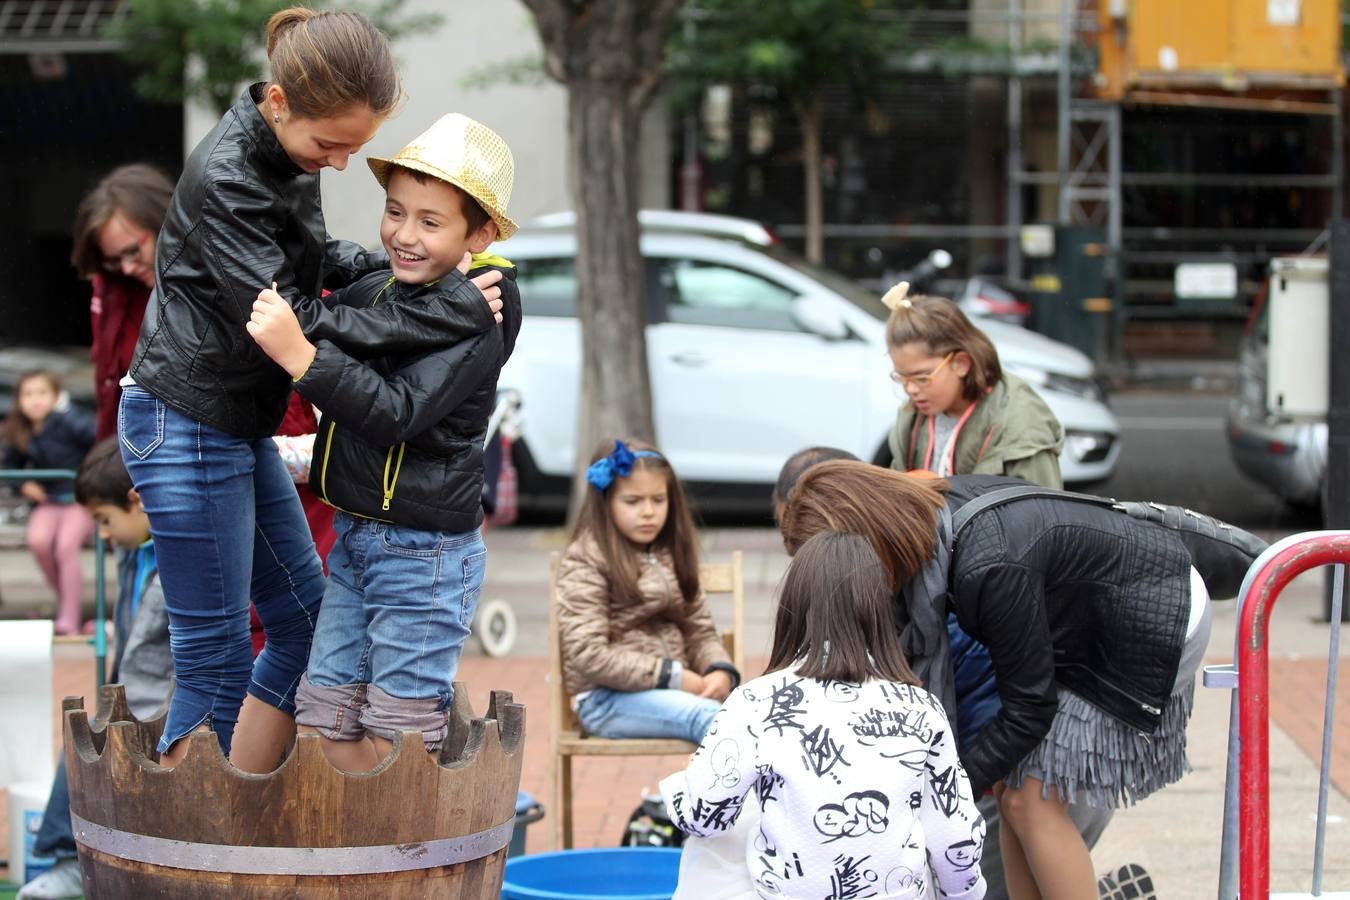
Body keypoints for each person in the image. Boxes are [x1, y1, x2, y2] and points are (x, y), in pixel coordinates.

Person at [118, 7, 506, 773]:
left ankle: (245, 815)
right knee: (215, 657)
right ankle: (192, 851)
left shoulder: (284, 158)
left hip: (230, 424)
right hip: (185, 420)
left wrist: (401, 279)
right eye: (330, 145)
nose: (337, 163)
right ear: (279, 102)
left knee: (299, 619)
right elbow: (286, 318)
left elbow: (315, 255)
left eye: (354, 148)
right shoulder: (232, 176)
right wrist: (426, 308)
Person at [778, 462, 1259, 900]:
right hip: (1091, 619)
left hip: (1146, 621)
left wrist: (950, 785)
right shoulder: (937, 516)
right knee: (1015, 795)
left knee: (1033, 802)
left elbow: (1030, 707)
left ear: (872, 537)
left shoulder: (986, 565)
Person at [246, 111, 523, 771]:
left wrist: (303, 359)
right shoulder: (392, 288)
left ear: (479, 234)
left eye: (430, 222)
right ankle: (348, 867)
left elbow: (398, 411)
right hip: (358, 535)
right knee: (325, 715)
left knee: (395, 735)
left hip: (423, 553)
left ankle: (392, 870)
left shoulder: (477, 319)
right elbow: (346, 263)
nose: (404, 234)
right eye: (395, 212)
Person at [660, 531, 987, 900]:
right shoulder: (922, 708)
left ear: (793, 607)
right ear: (878, 611)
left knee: (721, 842)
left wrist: (685, 780)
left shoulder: (753, 702)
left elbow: (702, 818)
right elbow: (955, 839)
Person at [18, 438, 172, 900]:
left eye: (105, 521)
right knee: (82, 741)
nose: (102, 535)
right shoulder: (136, 552)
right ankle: (67, 858)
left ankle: (70, 860)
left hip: (161, 705)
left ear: (136, 501)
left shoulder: (175, 553)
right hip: (131, 696)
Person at [556, 438, 740, 744]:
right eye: (633, 501)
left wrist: (718, 670)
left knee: (754, 716)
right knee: (712, 719)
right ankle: (709, 793)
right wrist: (674, 676)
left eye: (658, 499)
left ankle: (697, 792)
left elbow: (699, 630)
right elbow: (587, 652)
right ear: (606, 502)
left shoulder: (672, 552)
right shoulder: (586, 557)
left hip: (676, 694)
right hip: (606, 700)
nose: (648, 512)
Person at [881, 287, 1062, 486]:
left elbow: (1046, 512)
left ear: (961, 363)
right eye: (902, 378)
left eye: (922, 378)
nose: (911, 390)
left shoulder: (1022, 424)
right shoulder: (913, 417)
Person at [69, 163, 175, 440]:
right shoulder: (109, 287)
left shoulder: (205, 278)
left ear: (160, 221)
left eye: (132, 251)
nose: (127, 267)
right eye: (114, 259)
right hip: (125, 454)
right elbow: (107, 382)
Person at [1, 372, 96, 635]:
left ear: (55, 396)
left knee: (66, 546)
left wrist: (90, 483)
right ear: (19, 400)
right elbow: (12, 468)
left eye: (42, 393)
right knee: (39, 541)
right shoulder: (19, 430)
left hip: (77, 500)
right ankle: (67, 600)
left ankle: (69, 617)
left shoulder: (70, 422)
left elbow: (98, 442)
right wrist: (24, 484)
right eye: (28, 394)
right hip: (48, 501)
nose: (35, 401)